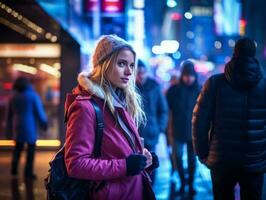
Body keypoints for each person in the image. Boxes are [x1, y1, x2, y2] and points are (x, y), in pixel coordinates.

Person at [64, 35, 159, 199]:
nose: (129, 72)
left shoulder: (120, 102)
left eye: (131, 65)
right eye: (121, 64)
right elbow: (76, 164)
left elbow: (113, 151)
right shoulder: (85, 107)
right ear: (103, 65)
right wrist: (125, 166)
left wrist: (143, 160)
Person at [192, 37, 266, 200]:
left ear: (235, 53)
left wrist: (202, 153)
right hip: (254, 161)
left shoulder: (215, 83)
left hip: (221, 160)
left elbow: (199, 121)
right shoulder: (263, 86)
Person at [166, 60, 201, 195]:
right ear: (182, 75)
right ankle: (182, 181)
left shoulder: (200, 89)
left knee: (192, 159)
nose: (188, 78)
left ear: (194, 75)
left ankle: (191, 184)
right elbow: (166, 109)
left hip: (194, 131)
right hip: (177, 131)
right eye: (186, 75)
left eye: (191, 75)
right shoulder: (173, 90)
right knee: (177, 157)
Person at [6, 77, 48, 179]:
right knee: (30, 150)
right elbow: (39, 112)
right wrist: (44, 123)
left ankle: (14, 169)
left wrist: (8, 129)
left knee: (18, 148)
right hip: (29, 126)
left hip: (17, 126)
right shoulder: (32, 96)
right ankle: (28, 172)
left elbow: (9, 115)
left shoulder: (13, 96)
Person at [136, 59, 168, 183]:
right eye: (138, 72)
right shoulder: (129, 87)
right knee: (137, 166)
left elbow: (163, 109)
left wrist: (160, 128)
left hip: (151, 133)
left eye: (143, 72)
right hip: (135, 134)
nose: (141, 75)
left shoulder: (154, 87)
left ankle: (150, 190)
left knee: (151, 164)